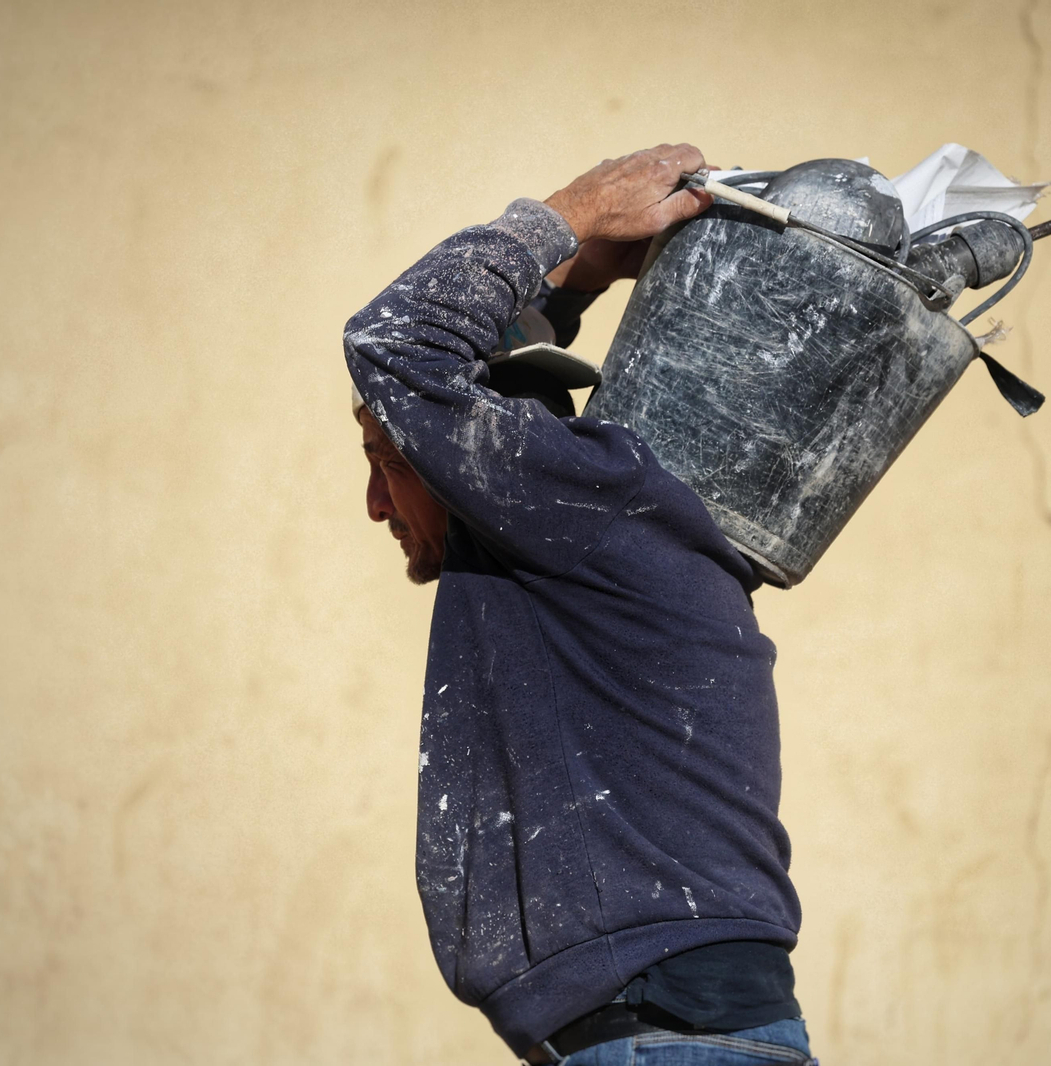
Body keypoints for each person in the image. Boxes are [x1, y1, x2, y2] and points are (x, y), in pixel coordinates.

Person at [346, 144, 814, 1065]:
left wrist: (574, 213)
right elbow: (466, 372)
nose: (375, 502)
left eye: (393, 456)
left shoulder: (585, 504)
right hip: (667, 1033)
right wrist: (585, 273)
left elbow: (394, 346)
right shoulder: (590, 526)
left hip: (661, 1036)